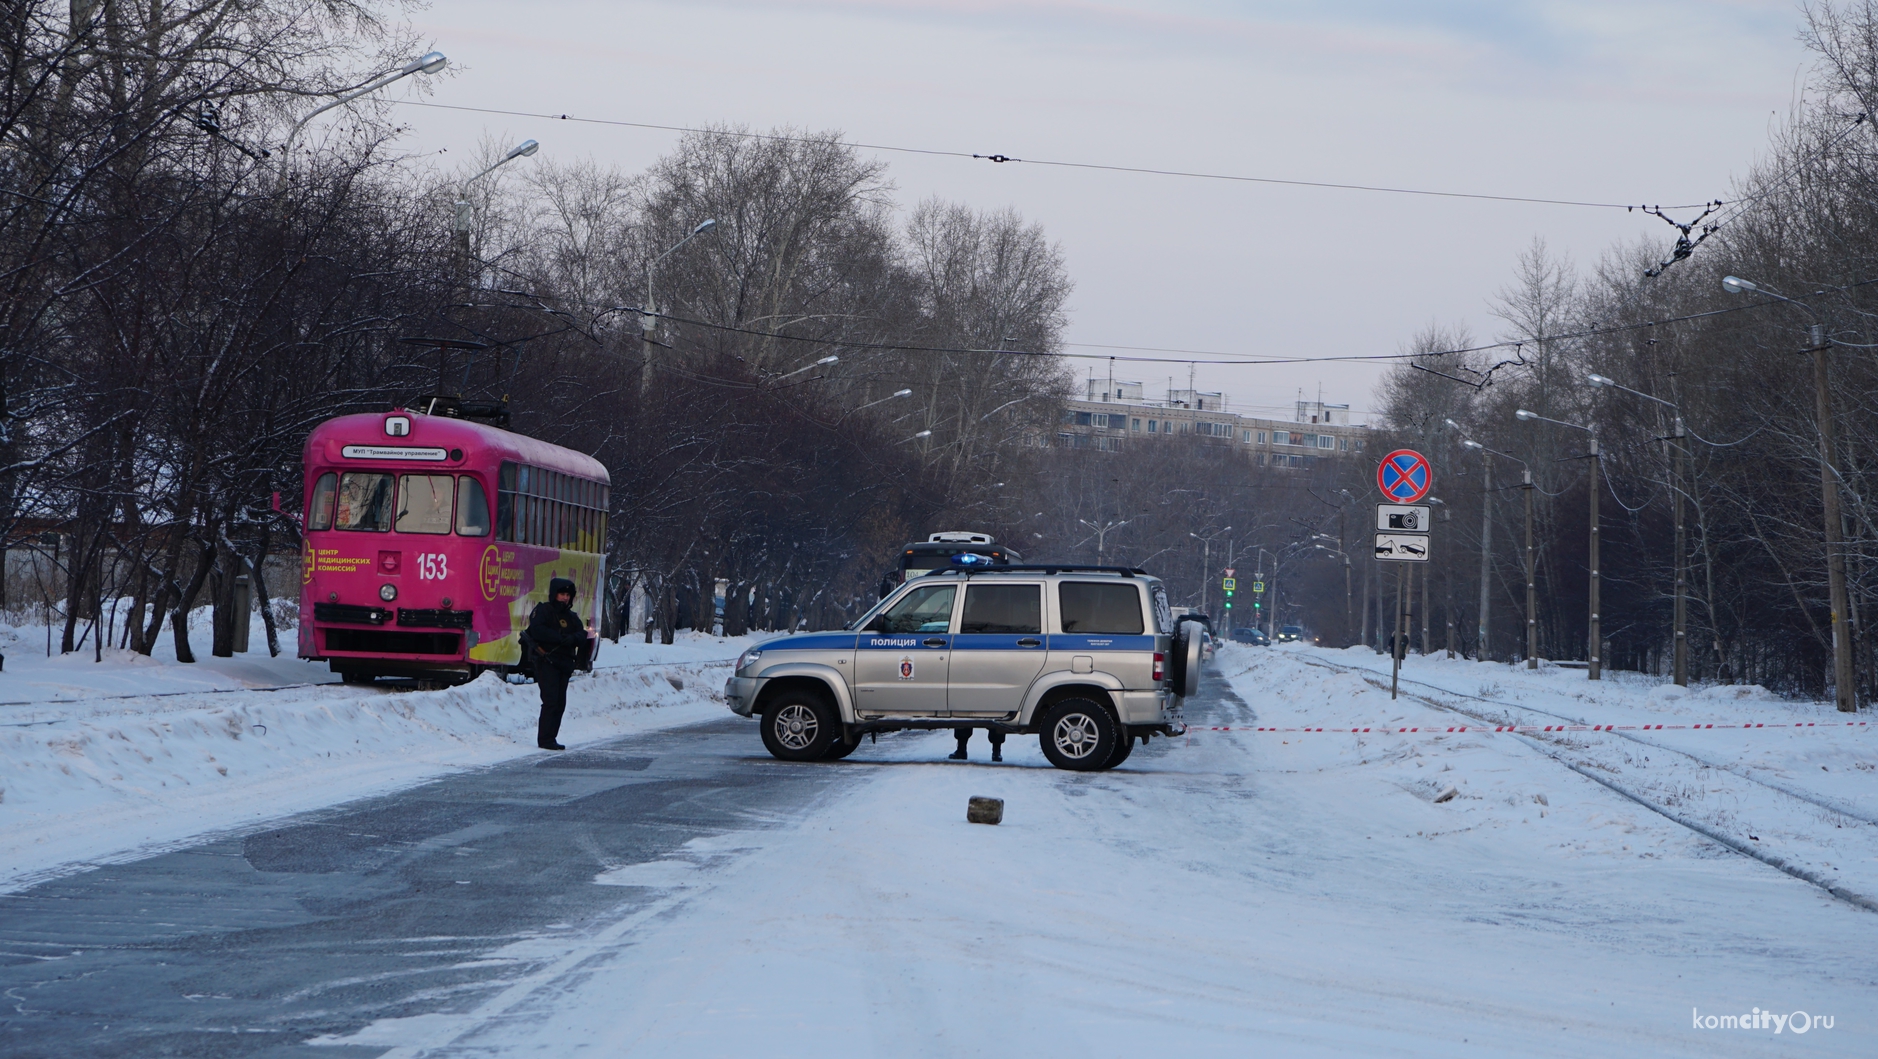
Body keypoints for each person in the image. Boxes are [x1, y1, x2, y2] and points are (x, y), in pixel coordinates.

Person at [525, 577, 585, 750]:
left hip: (564, 663)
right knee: (550, 700)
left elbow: (581, 634)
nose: (565, 598)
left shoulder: (571, 616)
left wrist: (572, 638)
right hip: (547, 661)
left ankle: (552, 737)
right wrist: (559, 638)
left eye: (567, 595)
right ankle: (545, 739)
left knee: (560, 703)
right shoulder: (544, 610)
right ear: (554, 594)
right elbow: (537, 630)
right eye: (562, 594)